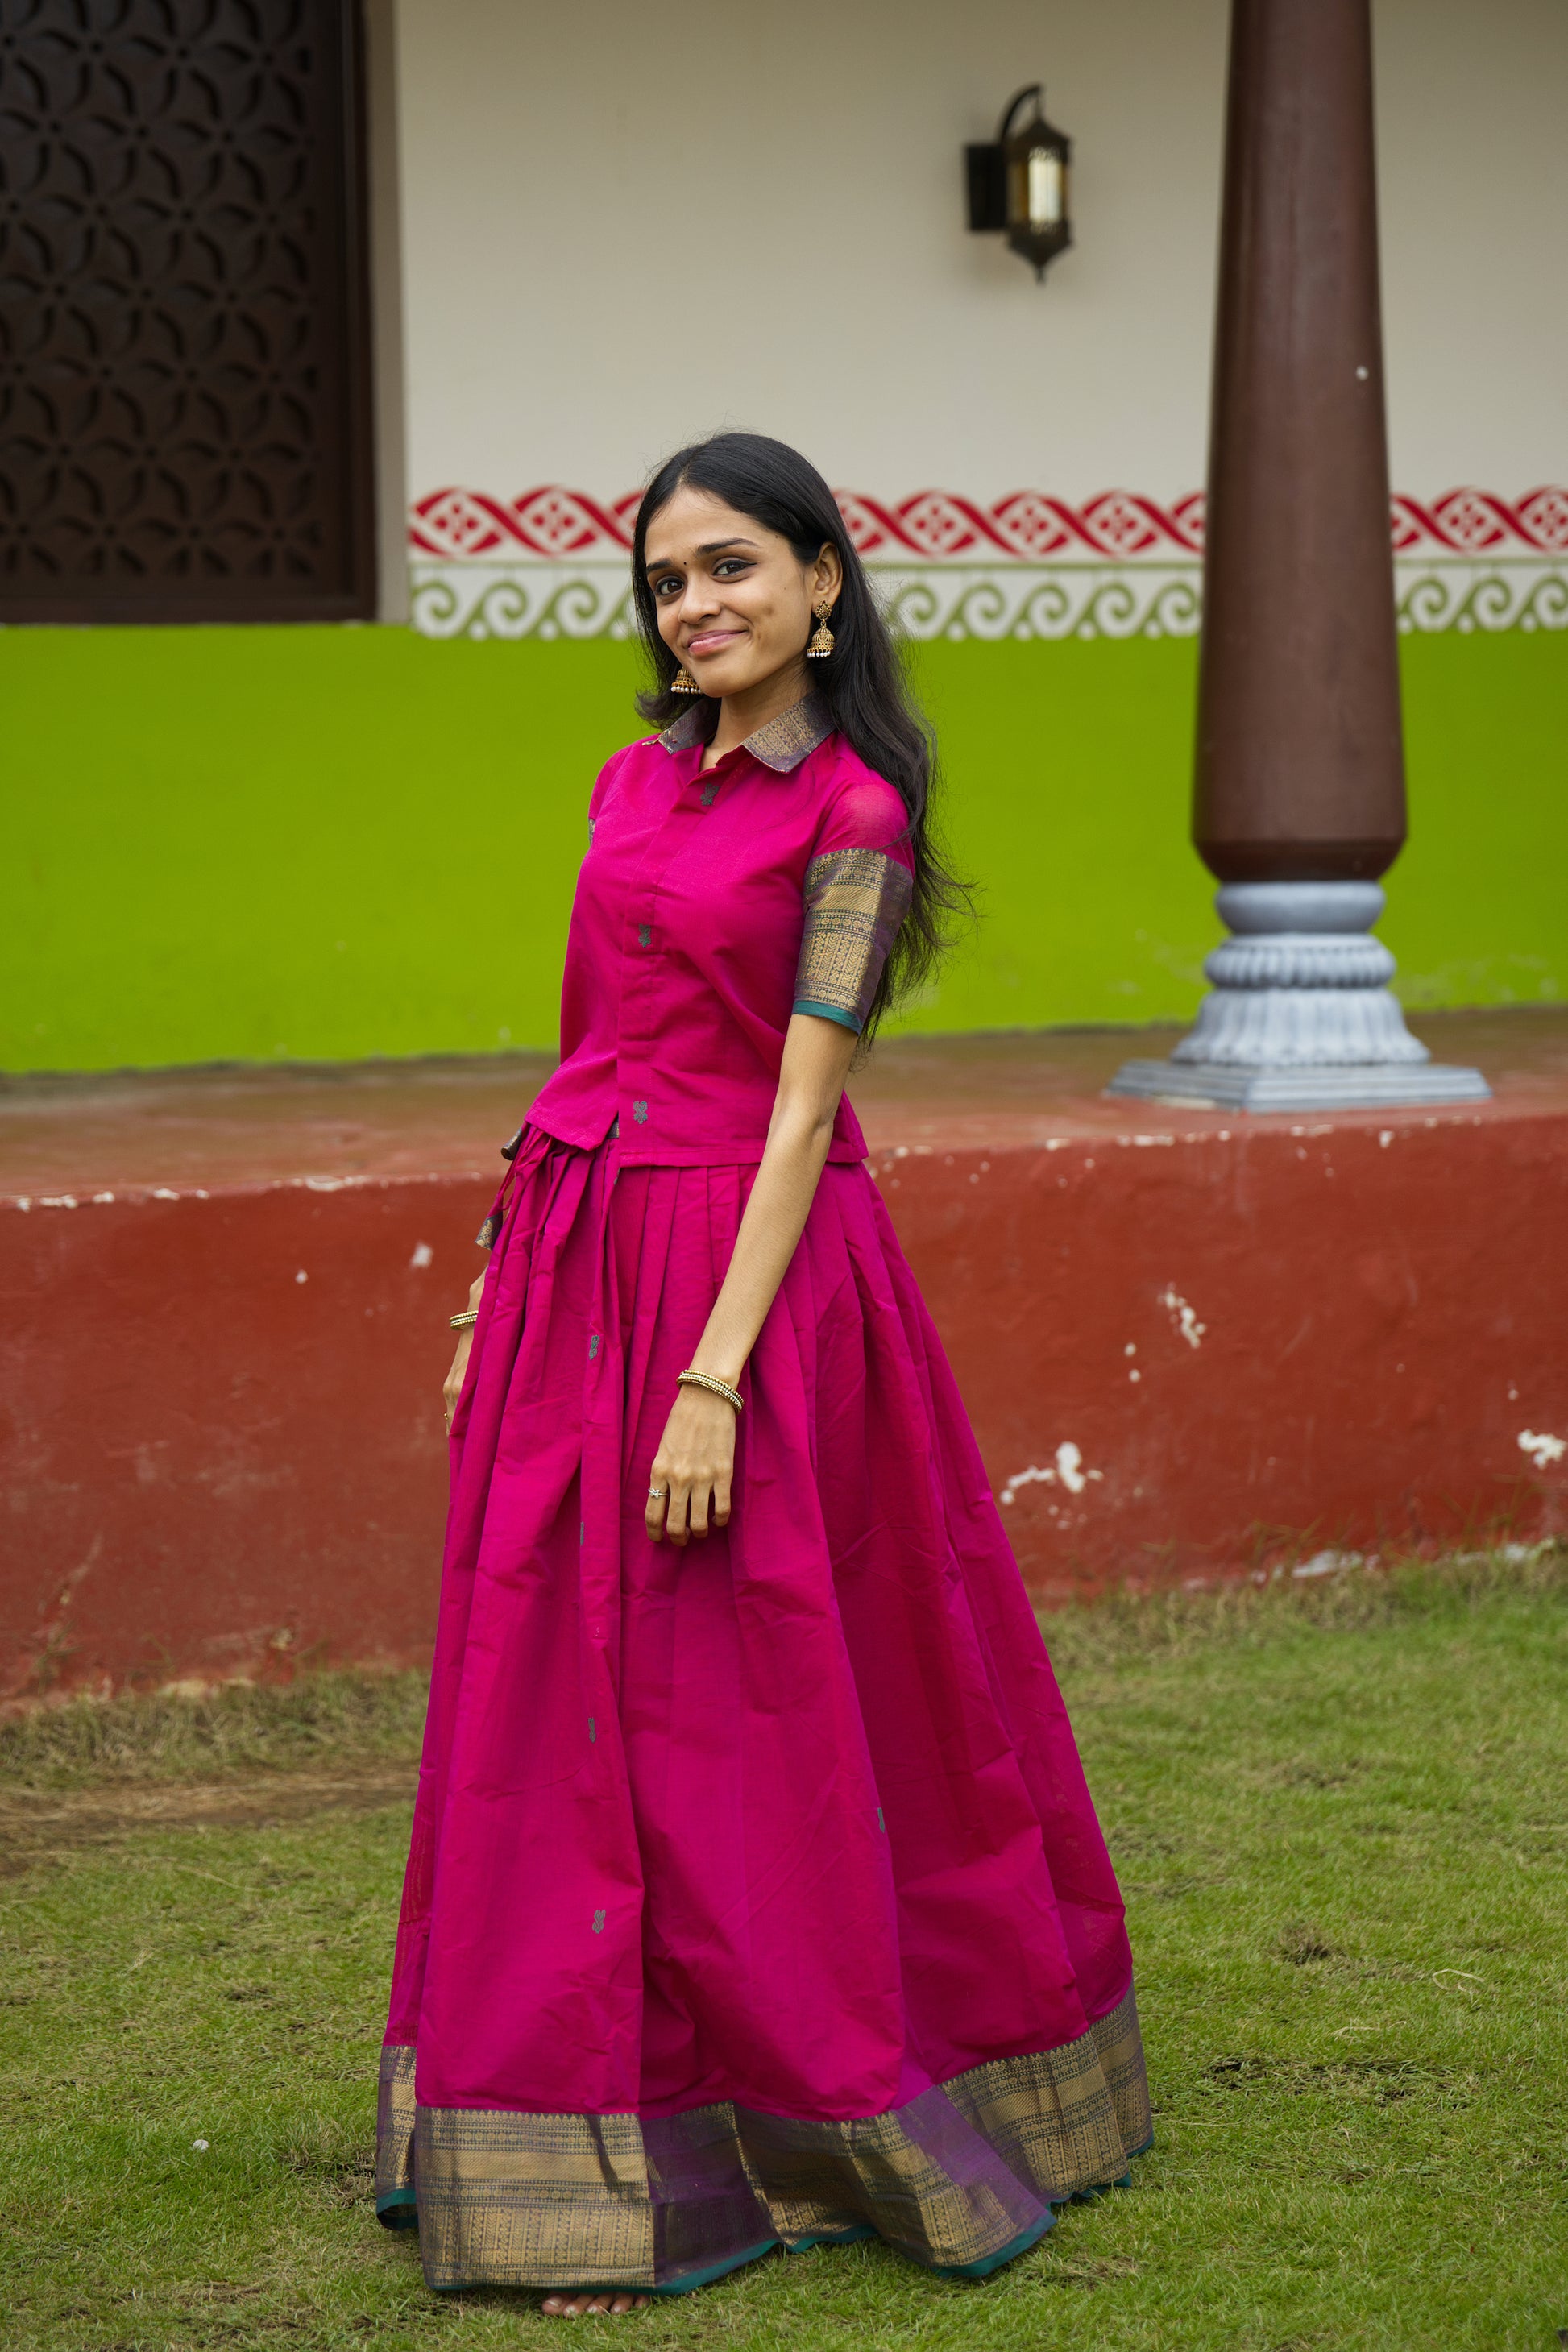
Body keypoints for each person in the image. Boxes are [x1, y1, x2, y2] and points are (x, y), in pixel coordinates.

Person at [376, 432, 1149, 2312]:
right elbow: (583, 1046)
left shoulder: (857, 813)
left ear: (821, 581)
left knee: (755, 1693)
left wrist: (713, 1377)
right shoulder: (628, 777)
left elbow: (806, 1111)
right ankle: (590, 2109)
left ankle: (799, 2111)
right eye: (666, 580)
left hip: (753, 1281)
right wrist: (498, 1269)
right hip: (579, 1254)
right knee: (562, 1689)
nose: (696, 605)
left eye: (732, 567)